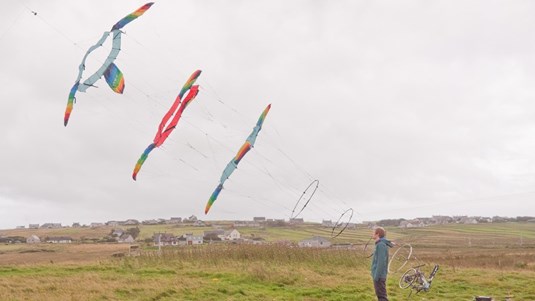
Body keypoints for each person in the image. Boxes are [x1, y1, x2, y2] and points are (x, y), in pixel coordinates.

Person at [370, 227, 393, 301]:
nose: (371, 234)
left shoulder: (381, 245)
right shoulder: (379, 244)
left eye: (373, 232)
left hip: (379, 275)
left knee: (382, 297)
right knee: (381, 296)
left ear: (377, 234)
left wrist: (376, 276)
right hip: (379, 275)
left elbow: (381, 262)